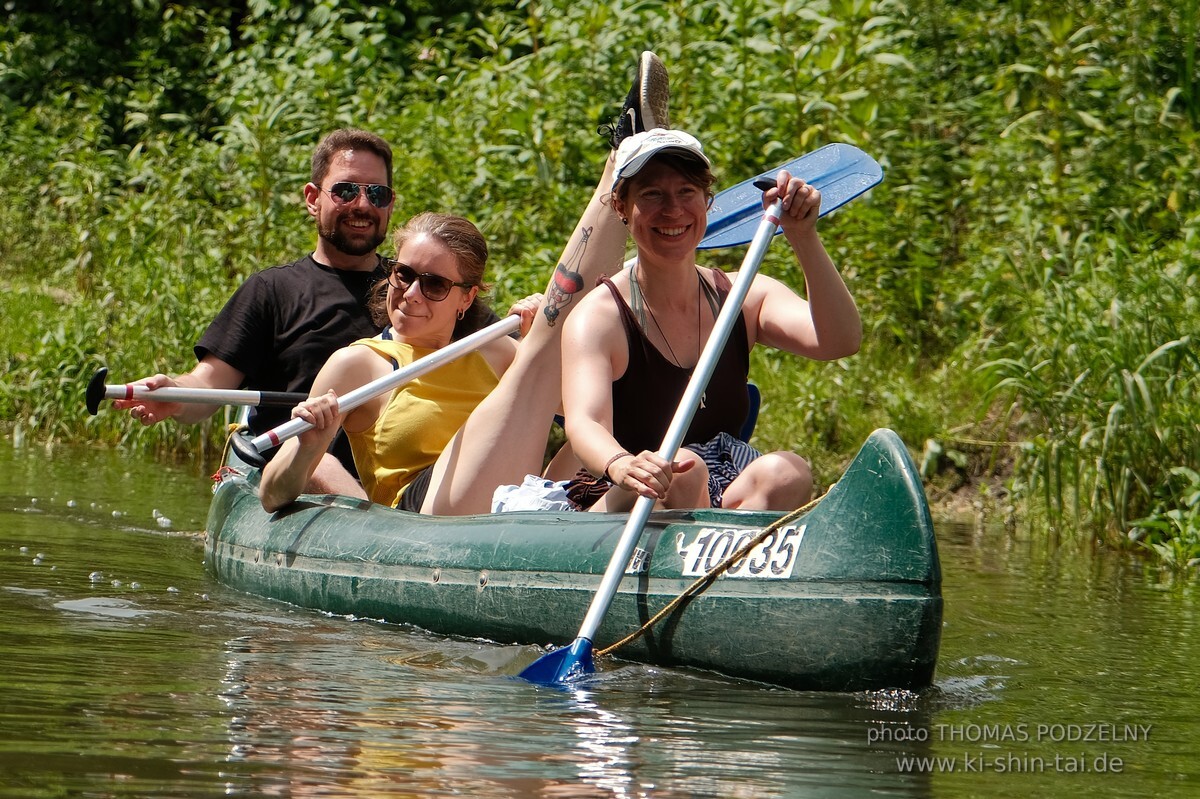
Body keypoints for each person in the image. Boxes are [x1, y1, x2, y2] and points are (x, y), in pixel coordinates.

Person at [258, 52, 672, 515]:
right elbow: (272, 493)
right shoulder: (357, 364)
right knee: (544, 350)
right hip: (422, 518)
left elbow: (591, 410)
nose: (412, 293)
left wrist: (560, 335)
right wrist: (311, 444)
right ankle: (624, 155)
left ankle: (635, 178)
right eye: (404, 274)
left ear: (466, 299)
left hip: (510, 499)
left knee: (571, 353)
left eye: (434, 284)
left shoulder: (495, 352)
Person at [559, 126, 863, 513]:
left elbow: (840, 340)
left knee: (788, 472)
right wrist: (622, 464)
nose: (673, 210)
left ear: (707, 200)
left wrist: (802, 235)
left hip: (717, 482)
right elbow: (586, 424)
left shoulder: (743, 296)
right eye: (652, 194)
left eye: (686, 192)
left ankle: (731, 567)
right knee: (686, 471)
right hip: (623, 492)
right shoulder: (598, 318)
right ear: (621, 206)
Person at [114, 128, 399, 497]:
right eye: (346, 191)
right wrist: (176, 393)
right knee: (322, 465)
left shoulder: (419, 288)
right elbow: (208, 384)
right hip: (303, 476)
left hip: (400, 472)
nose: (362, 205)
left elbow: (494, 346)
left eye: (377, 193)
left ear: (391, 203)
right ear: (313, 199)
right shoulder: (272, 291)